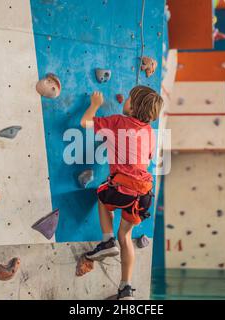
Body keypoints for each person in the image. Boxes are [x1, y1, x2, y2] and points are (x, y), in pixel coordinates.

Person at [80, 86, 164, 300]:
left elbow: (85, 123)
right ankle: (125, 288)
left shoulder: (118, 121)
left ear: (134, 106)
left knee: (102, 196)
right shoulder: (149, 132)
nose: (124, 100)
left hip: (122, 188)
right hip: (144, 195)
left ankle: (107, 241)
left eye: (128, 98)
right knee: (125, 235)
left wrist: (94, 105)